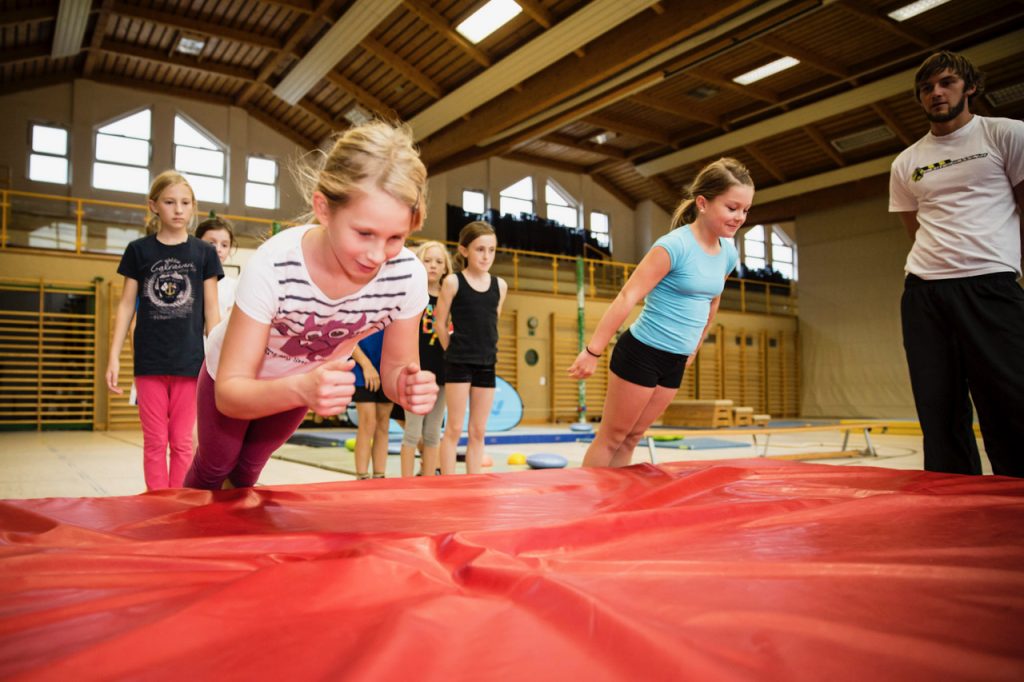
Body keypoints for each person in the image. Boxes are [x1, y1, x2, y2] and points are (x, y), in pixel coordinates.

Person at [184, 120, 438, 490]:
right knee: (215, 464)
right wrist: (303, 390)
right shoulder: (276, 263)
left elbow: (397, 369)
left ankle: (234, 547)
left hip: (302, 381)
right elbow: (231, 392)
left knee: (249, 467)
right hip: (236, 380)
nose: (377, 254)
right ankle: (184, 541)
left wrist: (408, 387)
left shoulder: (405, 276)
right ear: (324, 207)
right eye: (364, 233)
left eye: (396, 237)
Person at [889, 51, 1024, 478]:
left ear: (971, 87)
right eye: (927, 88)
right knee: (938, 404)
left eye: (946, 83)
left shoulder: (1007, 134)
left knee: (1009, 397)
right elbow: (916, 229)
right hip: (926, 292)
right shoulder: (906, 162)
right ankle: (950, 498)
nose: (936, 93)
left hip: (992, 285)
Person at [568, 158, 750, 467]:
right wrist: (592, 351)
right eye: (732, 208)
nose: (739, 217)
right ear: (703, 203)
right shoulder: (673, 247)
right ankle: (591, 507)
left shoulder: (728, 252)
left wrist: (696, 345)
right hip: (643, 352)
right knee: (612, 437)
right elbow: (627, 297)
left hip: (675, 361)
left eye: (746, 210)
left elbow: (713, 300)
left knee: (633, 438)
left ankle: (616, 507)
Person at [106, 171, 223, 490]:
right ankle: (157, 504)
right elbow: (126, 305)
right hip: (150, 359)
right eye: (170, 202)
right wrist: (113, 357)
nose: (178, 210)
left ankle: (179, 504)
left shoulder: (204, 253)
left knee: (184, 442)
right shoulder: (139, 250)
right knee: (155, 441)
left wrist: (217, 362)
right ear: (153, 206)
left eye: (185, 203)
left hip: (190, 361)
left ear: (193, 206)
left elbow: (212, 311)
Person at [435, 222, 507, 475]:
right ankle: (447, 483)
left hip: (486, 363)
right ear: (464, 251)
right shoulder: (453, 282)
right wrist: (452, 351)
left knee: (478, 430)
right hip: (459, 363)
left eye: (491, 250)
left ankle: (473, 484)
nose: (486, 256)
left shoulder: (500, 286)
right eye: (480, 250)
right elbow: (439, 322)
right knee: (454, 428)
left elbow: (492, 322)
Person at [399, 241, 453, 477]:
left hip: (441, 371)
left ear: (445, 269)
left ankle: (429, 482)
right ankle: (406, 482)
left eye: (438, 262)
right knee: (412, 431)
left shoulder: (449, 298)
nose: (433, 266)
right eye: (428, 260)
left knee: (432, 432)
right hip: (416, 371)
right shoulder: (412, 295)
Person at [351, 331, 394, 479]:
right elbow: (348, 341)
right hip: (361, 367)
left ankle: (379, 475)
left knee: (383, 423)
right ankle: (362, 475)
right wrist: (366, 365)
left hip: (387, 367)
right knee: (367, 421)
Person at [196, 214, 239, 321]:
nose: (218, 249)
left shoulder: (234, 286)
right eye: (211, 243)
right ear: (196, 243)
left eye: (224, 245)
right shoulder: (188, 279)